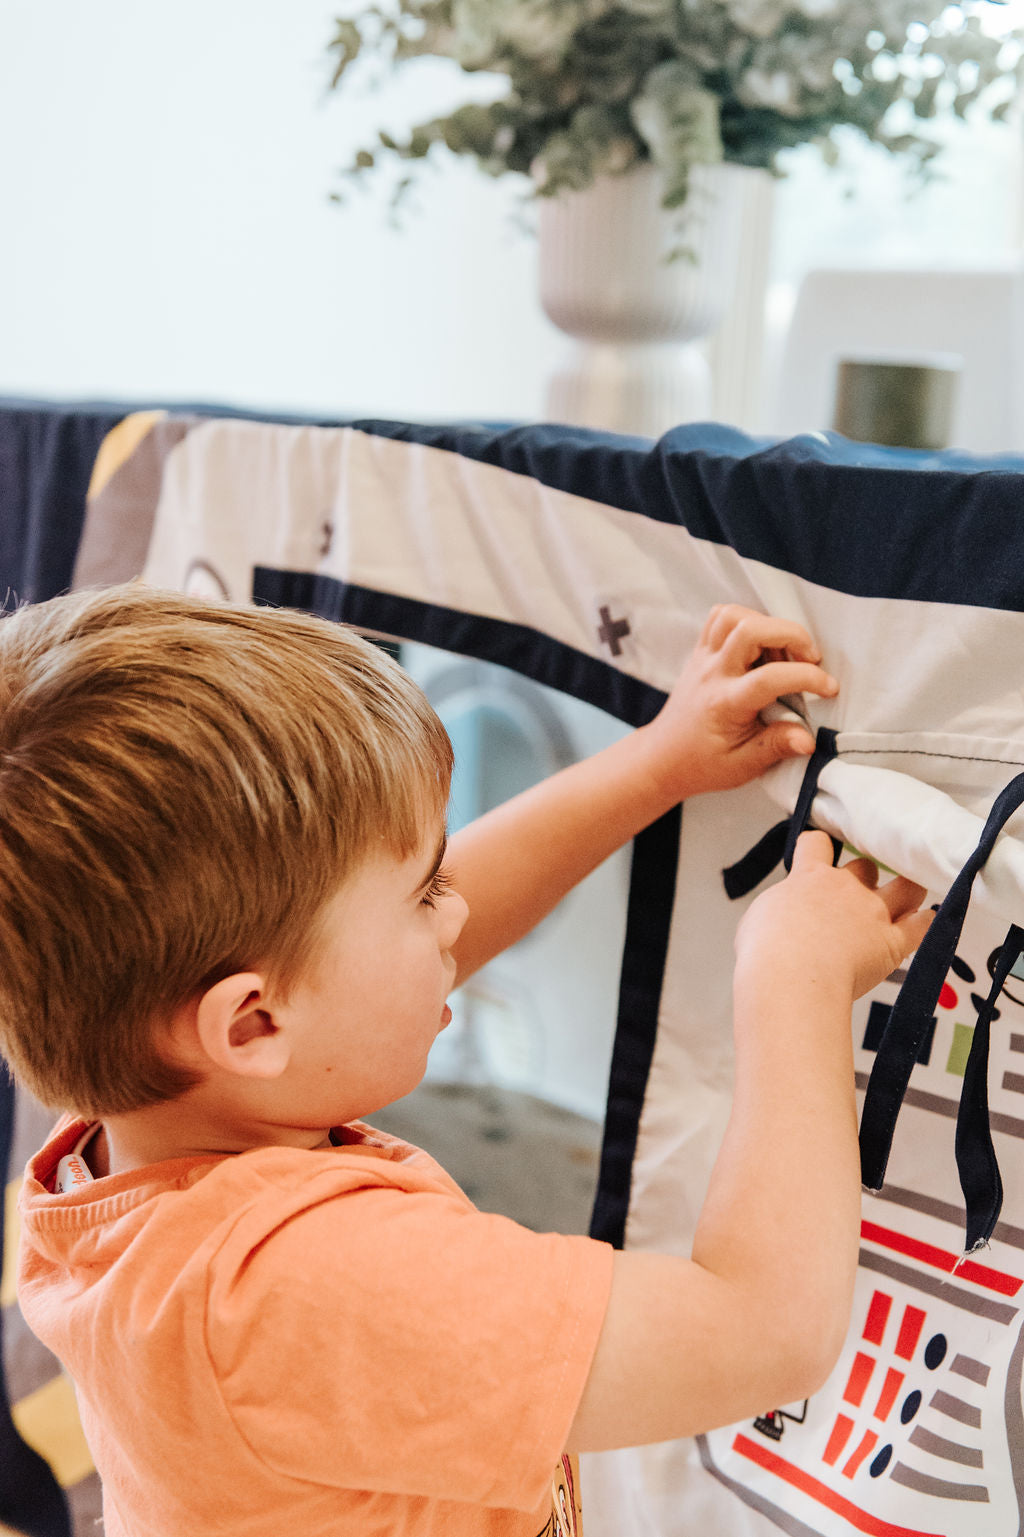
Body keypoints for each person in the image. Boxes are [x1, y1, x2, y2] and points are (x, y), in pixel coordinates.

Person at [10, 586, 931, 1537]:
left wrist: (655, 763)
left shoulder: (129, 1123)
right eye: (422, 895)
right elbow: (764, 1332)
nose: (455, 913)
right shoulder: (307, 1287)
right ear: (249, 1025)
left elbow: (347, 968)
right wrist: (794, 981)